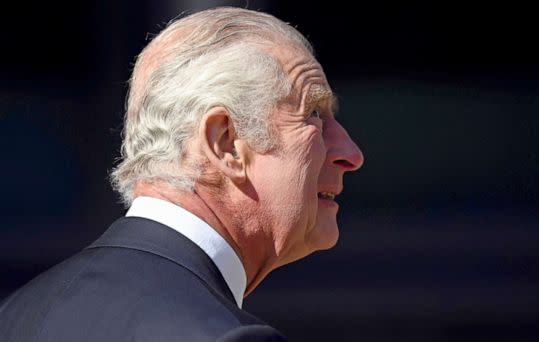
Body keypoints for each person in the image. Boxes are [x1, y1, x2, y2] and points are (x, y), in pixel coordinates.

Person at [0, 6, 363, 341]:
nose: (351, 154)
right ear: (226, 143)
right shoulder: (227, 337)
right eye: (313, 114)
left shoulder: (13, 316)